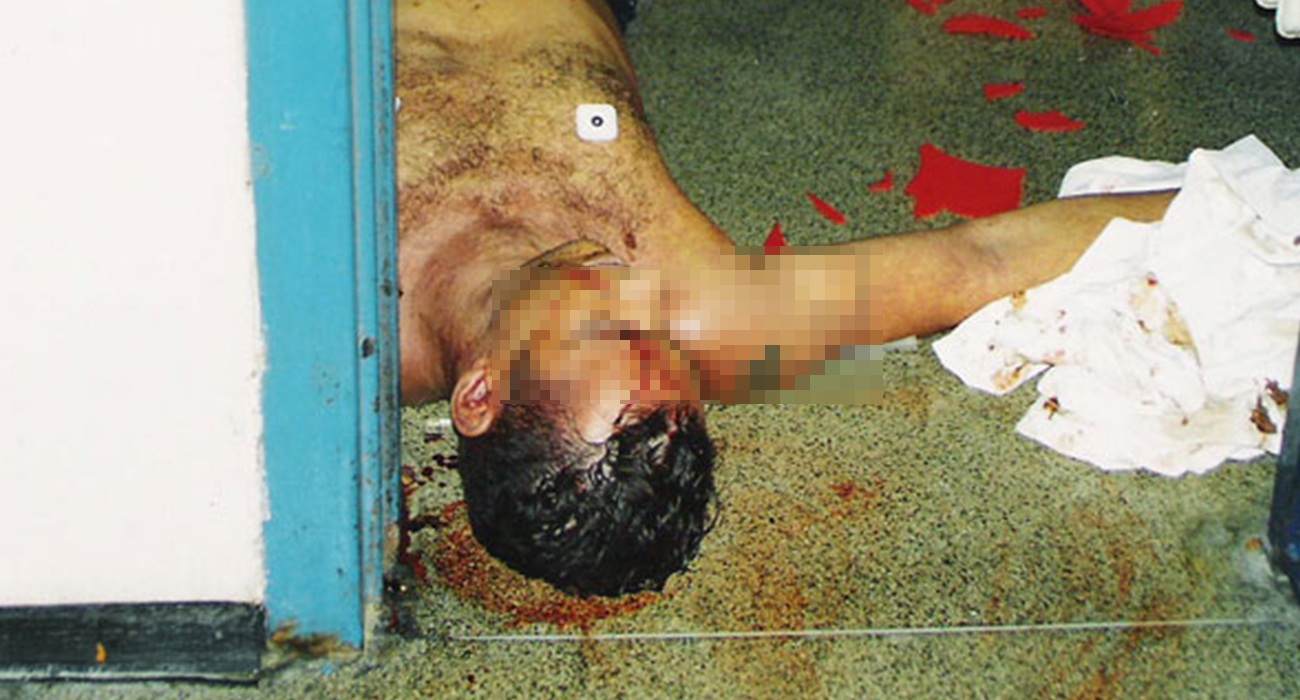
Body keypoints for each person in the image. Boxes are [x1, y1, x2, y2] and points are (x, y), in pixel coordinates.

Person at [395, 0, 1175, 596]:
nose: (635, 291)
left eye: (609, 330)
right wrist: (1232, 202)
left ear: (480, 393)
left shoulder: (342, 312)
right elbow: (979, 262)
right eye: (657, 334)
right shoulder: (704, 313)